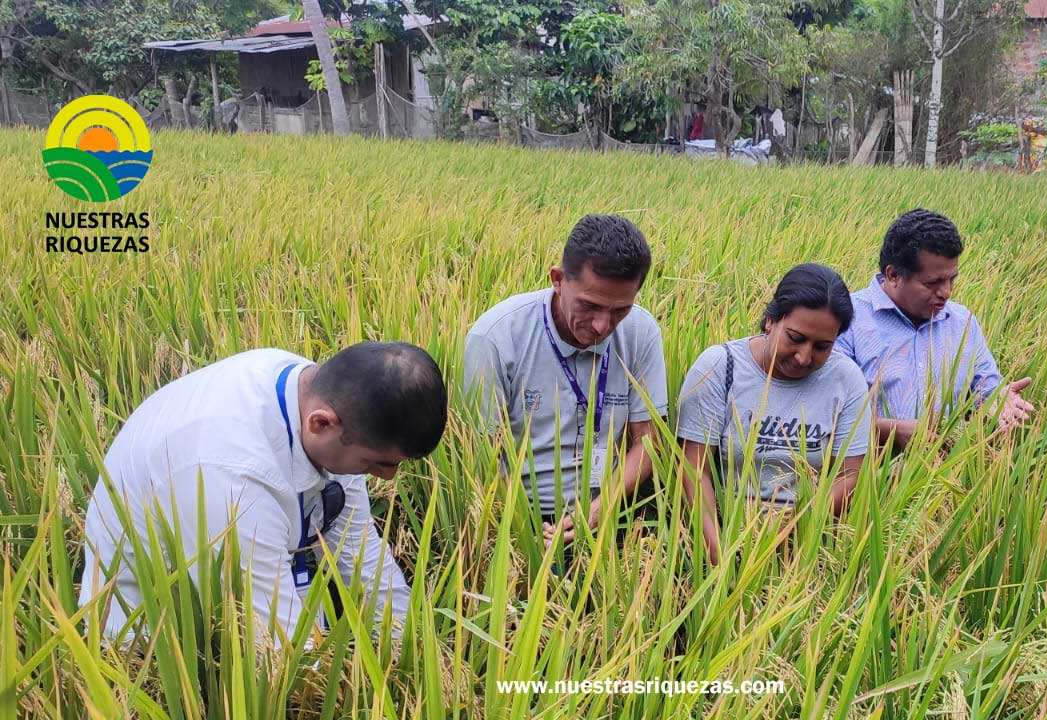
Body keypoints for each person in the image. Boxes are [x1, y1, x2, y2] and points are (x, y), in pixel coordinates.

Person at [78, 342, 447, 641]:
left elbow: (358, 550)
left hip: (264, 571)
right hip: (157, 636)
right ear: (320, 423)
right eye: (376, 463)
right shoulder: (230, 474)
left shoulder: (321, 396)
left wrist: (409, 644)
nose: (387, 477)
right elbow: (274, 642)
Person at [463, 214, 667, 547]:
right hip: (519, 513)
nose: (603, 326)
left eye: (620, 310)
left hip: (607, 507)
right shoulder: (497, 337)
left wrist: (601, 509)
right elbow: (482, 455)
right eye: (589, 306)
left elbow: (648, 440)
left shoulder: (641, 332)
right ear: (558, 280)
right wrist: (520, 532)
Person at [676, 264, 874, 565]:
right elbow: (694, 468)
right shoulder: (720, 367)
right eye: (795, 338)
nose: (804, 357)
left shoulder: (846, 379)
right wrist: (719, 550)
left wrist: (793, 530)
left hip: (808, 542)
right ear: (770, 320)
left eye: (822, 346)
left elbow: (849, 475)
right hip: (723, 534)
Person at [835, 209, 1034, 448]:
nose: (946, 292)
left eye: (952, 280)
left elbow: (987, 386)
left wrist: (998, 398)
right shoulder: (846, 320)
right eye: (932, 283)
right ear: (893, 275)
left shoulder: (962, 323)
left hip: (946, 471)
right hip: (864, 474)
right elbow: (826, 413)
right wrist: (889, 431)